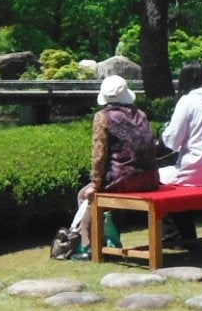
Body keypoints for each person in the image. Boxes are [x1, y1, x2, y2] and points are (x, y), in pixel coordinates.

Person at [59, 73, 160, 257]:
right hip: (150, 180)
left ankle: (90, 247)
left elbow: (99, 156)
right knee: (105, 199)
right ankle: (107, 238)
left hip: (123, 180)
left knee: (85, 195)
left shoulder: (103, 117)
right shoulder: (141, 115)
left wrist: (95, 185)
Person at [157, 61, 202, 245]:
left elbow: (172, 141)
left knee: (154, 178)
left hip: (193, 174)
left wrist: (162, 134)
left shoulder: (187, 101)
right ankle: (186, 236)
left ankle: (175, 236)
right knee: (171, 177)